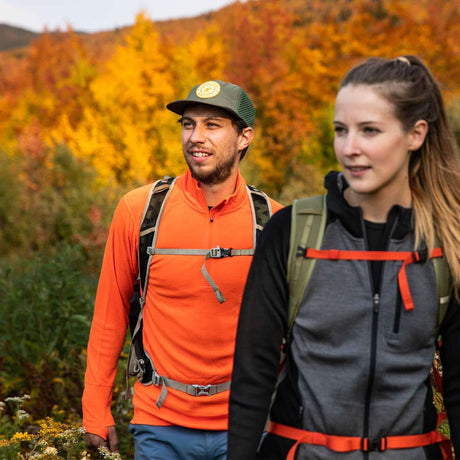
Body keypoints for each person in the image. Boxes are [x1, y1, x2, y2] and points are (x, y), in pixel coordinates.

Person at [228, 56, 460, 459]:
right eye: (341, 130)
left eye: (369, 130)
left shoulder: (447, 242)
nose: (349, 148)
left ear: (415, 134)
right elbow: (253, 375)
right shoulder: (291, 231)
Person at [82, 79, 283, 459]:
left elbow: (297, 331)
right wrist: (95, 408)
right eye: (188, 125)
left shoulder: (274, 221)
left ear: (244, 137)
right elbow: (109, 315)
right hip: (159, 423)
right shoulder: (139, 211)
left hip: (248, 423)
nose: (195, 137)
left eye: (212, 125)